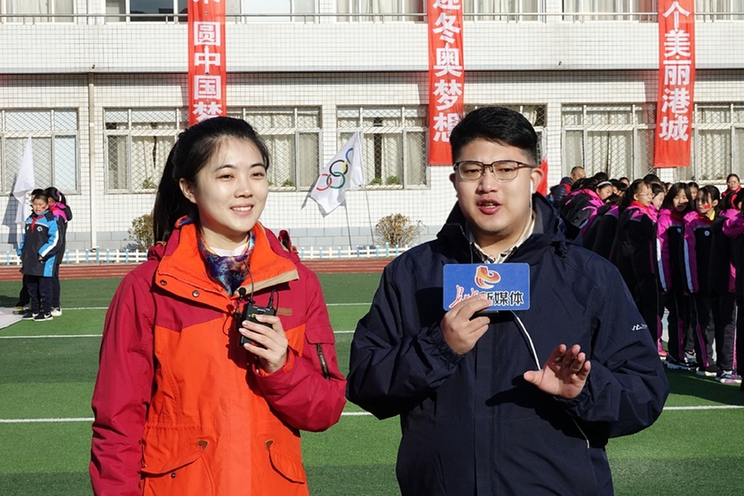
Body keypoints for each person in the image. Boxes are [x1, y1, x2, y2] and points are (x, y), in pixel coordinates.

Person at [346, 107, 668, 496]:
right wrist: (437, 349)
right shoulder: (412, 275)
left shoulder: (590, 277)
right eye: (472, 170)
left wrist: (584, 390)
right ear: (455, 180)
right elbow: (365, 385)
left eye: (505, 169)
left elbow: (646, 392)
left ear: (534, 178)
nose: (488, 184)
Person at [90, 117, 346, 495]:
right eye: (226, 176)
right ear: (189, 188)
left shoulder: (297, 282)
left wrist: (282, 366)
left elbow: (325, 409)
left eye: (256, 174)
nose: (245, 189)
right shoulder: (147, 288)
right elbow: (117, 424)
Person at [657, 182, 696, 371]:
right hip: (673, 277)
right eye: (677, 197)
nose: (681, 201)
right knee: (677, 316)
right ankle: (675, 355)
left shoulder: (689, 220)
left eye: (685, 197)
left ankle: (684, 351)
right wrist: (665, 281)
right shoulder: (665, 220)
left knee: (688, 316)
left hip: (688, 278)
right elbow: (661, 252)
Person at [17, 189, 60, 321]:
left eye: (40, 204)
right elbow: (25, 237)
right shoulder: (30, 219)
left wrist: (43, 253)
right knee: (31, 286)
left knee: (44, 287)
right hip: (30, 259)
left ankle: (46, 311)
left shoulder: (50, 220)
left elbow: (55, 240)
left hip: (43, 261)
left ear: (46, 206)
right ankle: (34, 309)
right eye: (34, 204)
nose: (37, 207)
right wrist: (21, 251)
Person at [45, 187, 72, 316]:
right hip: (54, 249)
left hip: (54, 249)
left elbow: (57, 236)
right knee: (49, 276)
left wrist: (51, 250)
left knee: (52, 277)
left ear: (50, 199)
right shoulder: (59, 210)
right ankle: (48, 303)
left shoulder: (56, 213)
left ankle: (55, 305)